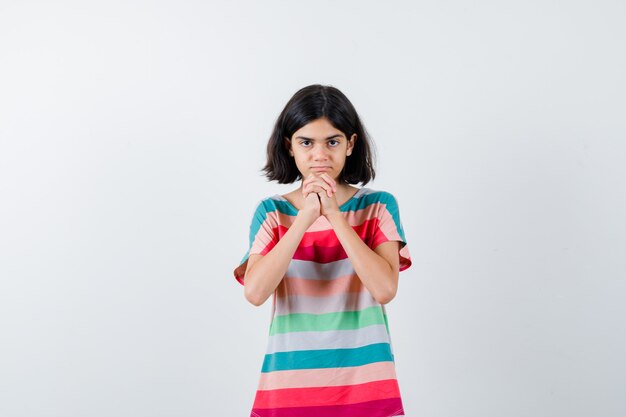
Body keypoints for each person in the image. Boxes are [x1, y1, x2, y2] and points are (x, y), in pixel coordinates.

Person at [233, 84, 412, 417]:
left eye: (332, 142)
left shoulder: (378, 207)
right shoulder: (272, 212)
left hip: (366, 385)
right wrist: (304, 219)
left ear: (350, 144)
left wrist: (334, 215)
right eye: (306, 142)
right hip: (290, 386)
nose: (320, 155)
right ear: (289, 146)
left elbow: (385, 289)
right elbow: (255, 293)